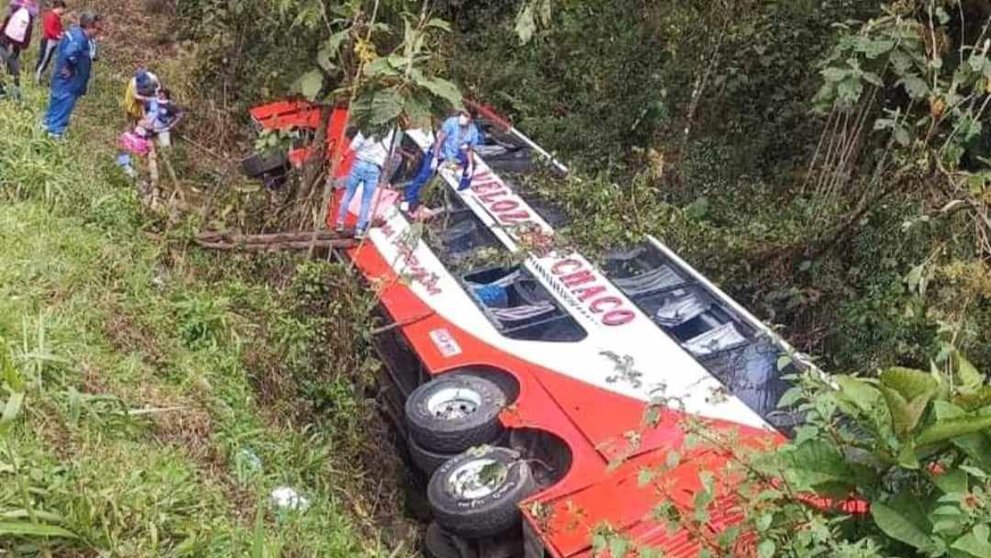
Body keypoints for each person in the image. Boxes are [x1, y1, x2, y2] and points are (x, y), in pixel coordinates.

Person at [402, 108, 482, 215]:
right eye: (463, 114)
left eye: (466, 116)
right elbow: (440, 139)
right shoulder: (452, 122)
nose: (463, 117)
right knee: (424, 175)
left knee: (469, 165)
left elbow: (469, 149)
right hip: (438, 152)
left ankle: (463, 188)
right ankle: (409, 198)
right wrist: (435, 157)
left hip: (452, 154)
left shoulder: (473, 132)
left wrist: (470, 165)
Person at [43, 10, 101, 138]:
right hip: (69, 83)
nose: (98, 32)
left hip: (61, 80)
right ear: (89, 26)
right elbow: (71, 54)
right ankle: (54, 137)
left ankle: (45, 131)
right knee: (62, 110)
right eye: (97, 28)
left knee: (54, 108)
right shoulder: (79, 39)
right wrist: (72, 68)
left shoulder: (73, 32)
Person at [335, 129, 397, 239]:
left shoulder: (368, 127)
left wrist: (344, 156)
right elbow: (390, 151)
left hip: (360, 163)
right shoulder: (389, 133)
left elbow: (356, 143)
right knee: (366, 201)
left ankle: (340, 222)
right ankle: (359, 230)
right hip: (374, 168)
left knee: (348, 194)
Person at [0, 0, 38, 100]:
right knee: (5, 66)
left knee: (12, 69)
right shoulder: (17, 8)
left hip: (12, 45)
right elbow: (6, 23)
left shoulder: (28, 13)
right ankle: (5, 92)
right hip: (6, 43)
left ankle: (13, 93)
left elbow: (27, 33)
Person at [35, 1, 65, 83]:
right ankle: (36, 78)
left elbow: (59, 29)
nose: (63, 11)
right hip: (48, 40)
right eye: (63, 9)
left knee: (48, 60)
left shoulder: (57, 17)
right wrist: (58, 36)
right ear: (59, 8)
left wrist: (62, 34)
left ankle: (41, 77)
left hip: (54, 41)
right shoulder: (50, 16)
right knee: (44, 59)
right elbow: (49, 30)